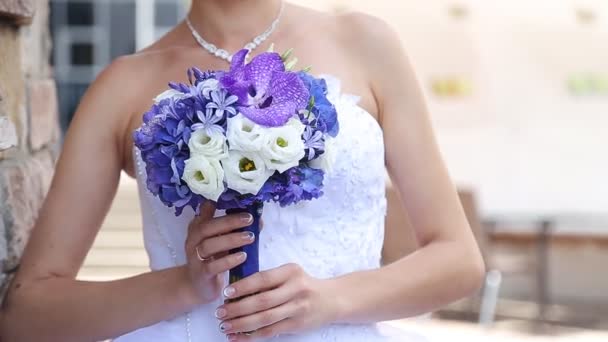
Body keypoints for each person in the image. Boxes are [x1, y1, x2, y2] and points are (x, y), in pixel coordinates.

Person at [0, 1, 485, 341]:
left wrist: (330, 300)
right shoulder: (122, 85)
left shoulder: (365, 42)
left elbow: (458, 260)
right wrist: (183, 286)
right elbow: (27, 315)